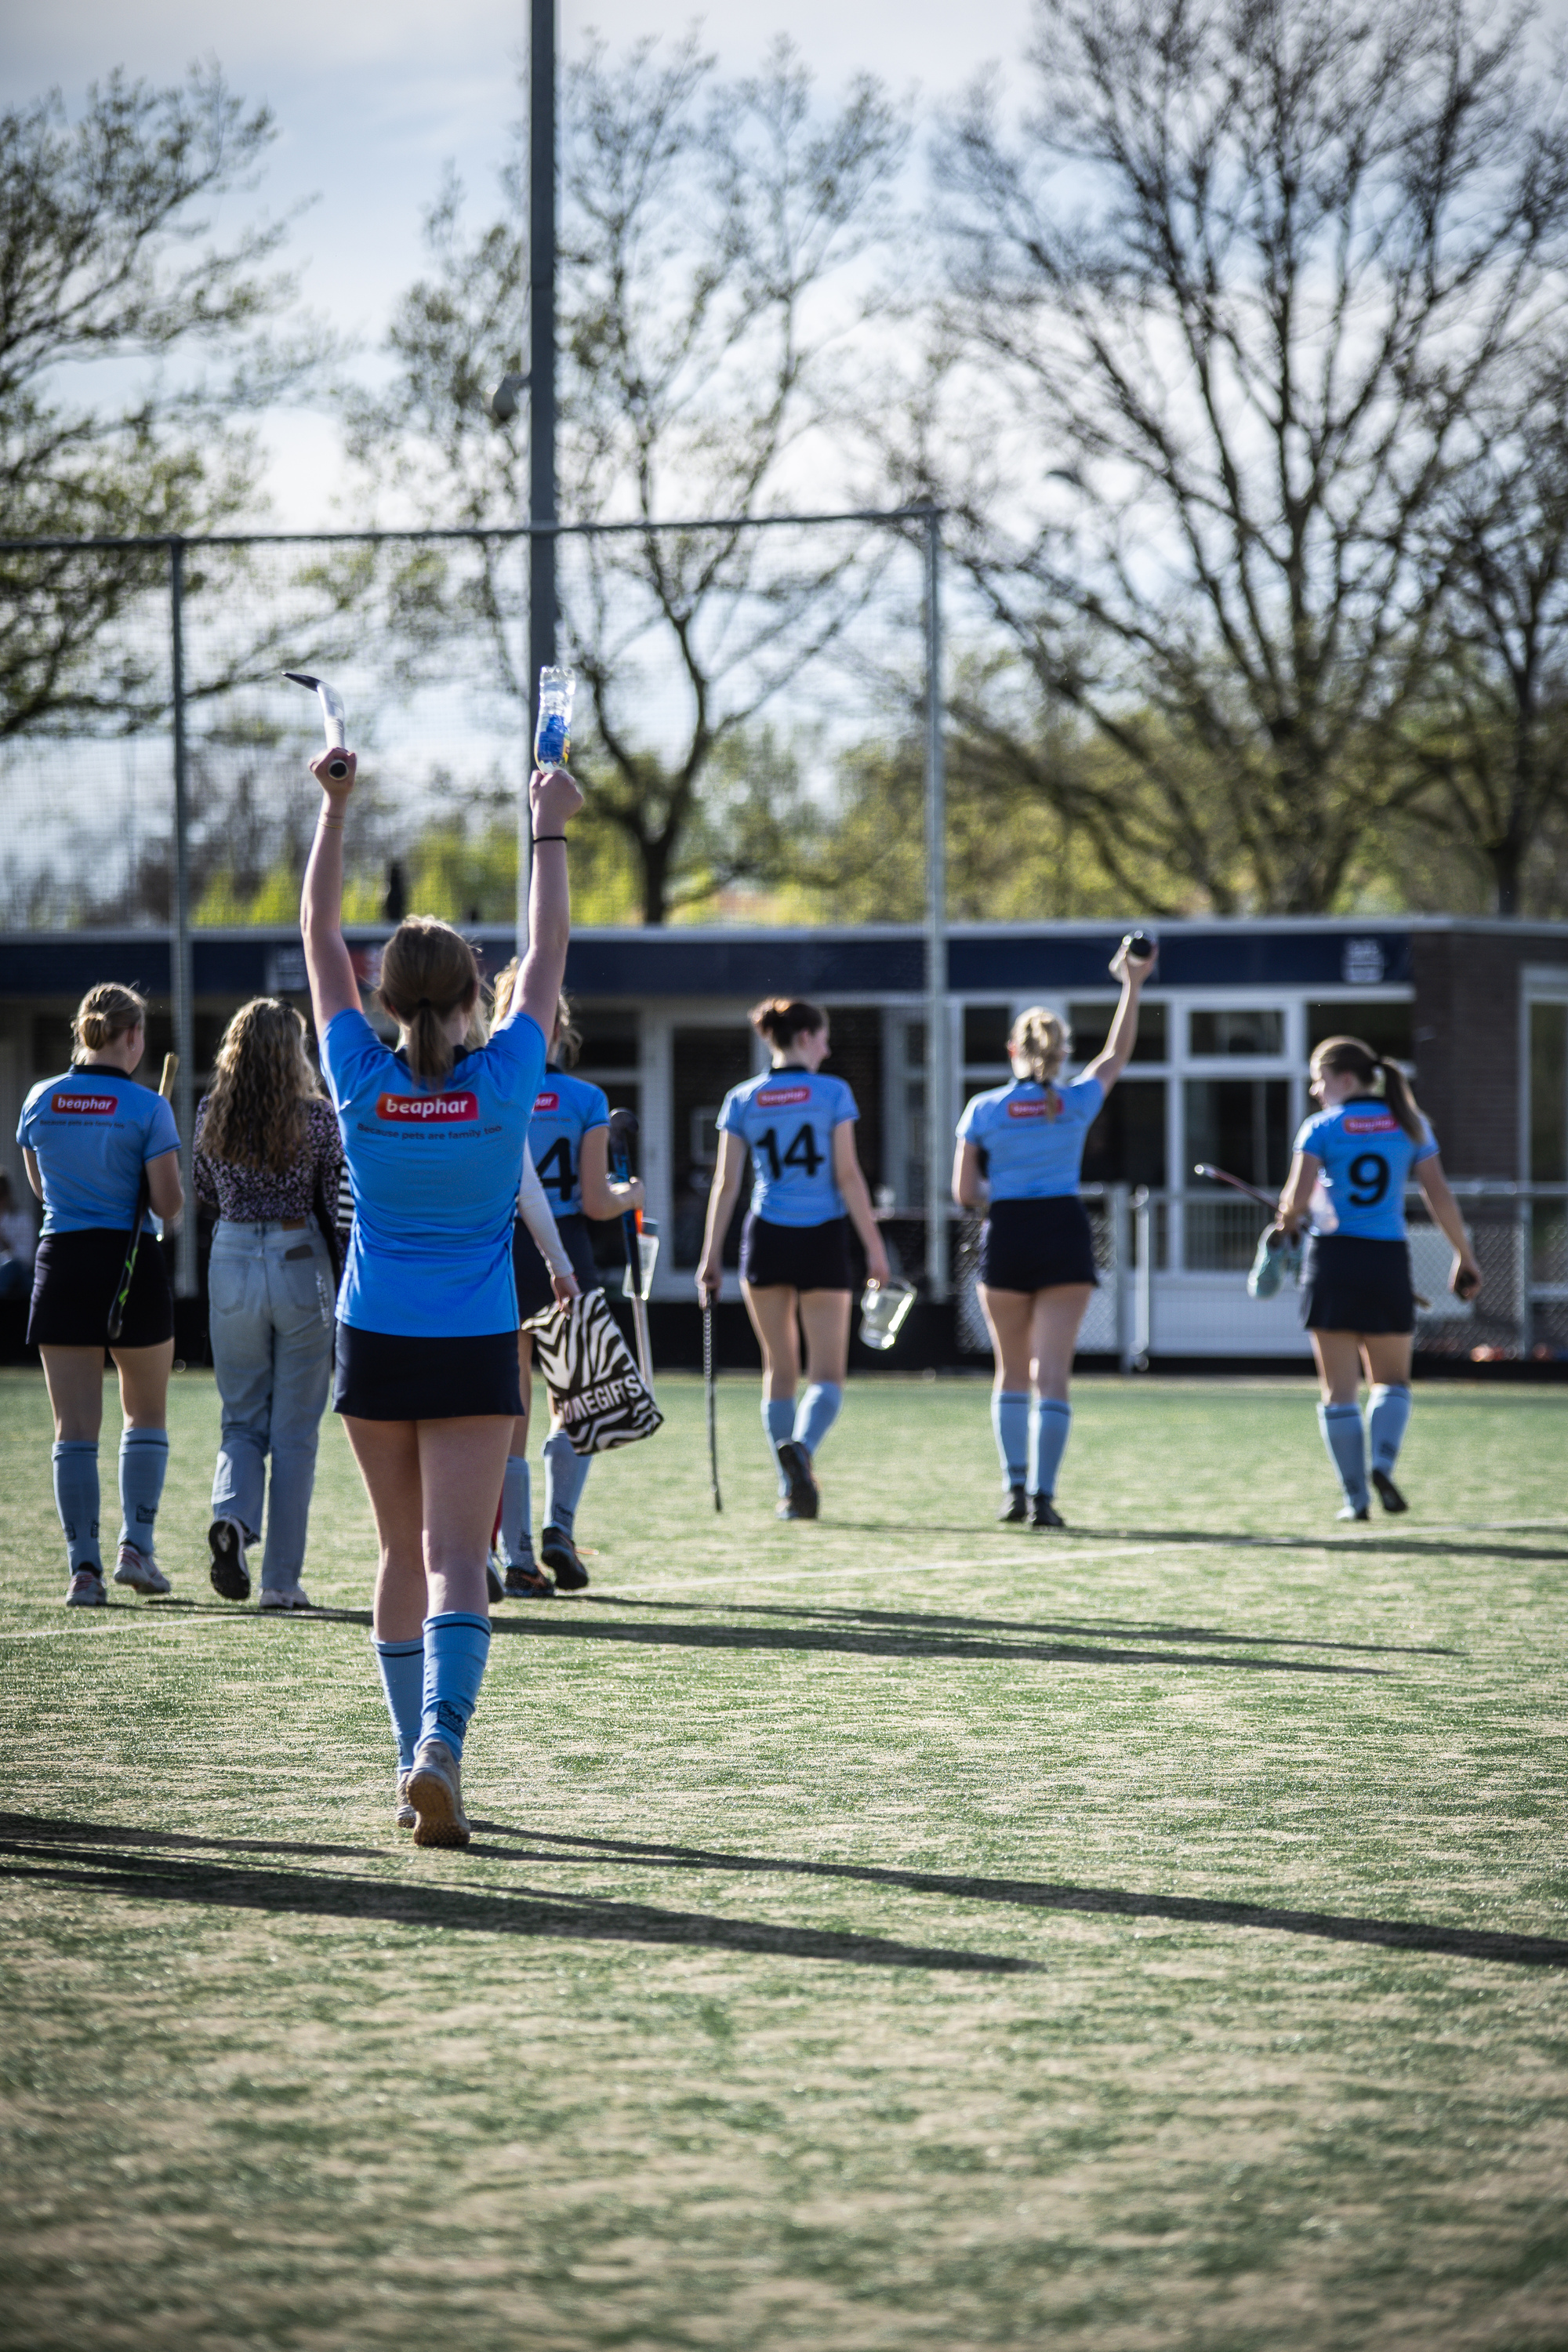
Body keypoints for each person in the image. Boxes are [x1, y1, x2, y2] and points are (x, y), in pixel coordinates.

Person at [300, 739, 582, 1848]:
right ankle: (440, 1749)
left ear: (382, 993)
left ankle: (408, 1758)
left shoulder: (359, 1076)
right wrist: (547, 825)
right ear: (479, 993)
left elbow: (318, 936)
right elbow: (550, 946)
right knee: (459, 1559)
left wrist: (334, 810)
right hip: (474, 1343)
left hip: (374, 1342)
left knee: (395, 1556)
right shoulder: (513, 1074)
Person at [953, 939, 1155, 1529]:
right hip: (1064, 1232)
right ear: (1063, 1053)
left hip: (1009, 1234)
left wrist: (1005, 1196)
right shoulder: (1072, 1101)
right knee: (1053, 1375)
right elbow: (1116, 1056)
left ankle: (1014, 1492)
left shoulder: (984, 1108)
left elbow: (965, 1193)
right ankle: (1044, 1498)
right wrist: (1132, 985)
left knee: (1011, 1372)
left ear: (1013, 1049)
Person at [16, 983, 183, 1604]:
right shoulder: (148, 1109)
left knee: (74, 1426)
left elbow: (41, 1190)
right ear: (133, 1036)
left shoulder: (40, 1099)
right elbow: (168, 1208)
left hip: (62, 1265)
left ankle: (83, 1569)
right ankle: (135, 1547)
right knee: (144, 1414)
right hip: (131, 1266)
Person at [696, 997, 890, 1519]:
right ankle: (801, 1451)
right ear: (804, 1037)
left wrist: (709, 1256)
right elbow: (848, 1177)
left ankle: (790, 1486)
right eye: (824, 1038)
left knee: (779, 1369)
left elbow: (727, 1183)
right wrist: (875, 1247)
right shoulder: (833, 1093)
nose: (827, 1049)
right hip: (823, 1237)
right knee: (827, 1373)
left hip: (767, 1240)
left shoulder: (743, 1098)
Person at [1276, 1034, 1480, 1519]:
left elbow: (1295, 1202)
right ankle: (1383, 1461)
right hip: (1387, 1262)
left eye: (1319, 1080)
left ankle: (1355, 1499)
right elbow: (1440, 1197)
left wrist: (1286, 1219)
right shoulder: (1411, 1125)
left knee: (1338, 1391)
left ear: (1345, 1079)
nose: (1314, 1090)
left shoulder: (1320, 1127)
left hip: (1332, 1263)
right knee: (1391, 1382)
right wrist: (1464, 1256)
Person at [485, 974, 644, 1593]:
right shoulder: (585, 1098)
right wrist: (637, 1193)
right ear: (559, 1026)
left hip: (504, 1253)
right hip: (566, 1256)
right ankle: (560, 1529)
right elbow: (599, 1202)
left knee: (511, 1410)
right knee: (575, 1402)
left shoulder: (494, 1090)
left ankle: (518, 1554)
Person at [193, 997, 344, 1610]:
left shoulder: (211, 1111)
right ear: (294, 1052)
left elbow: (204, 1188)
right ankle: (281, 1581)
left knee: (240, 1416)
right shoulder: (318, 1118)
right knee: (296, 1432)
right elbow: (333, 1196)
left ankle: (231, 1517)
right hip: (297, 1256)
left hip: (230, 1254)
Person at [0, 1167, 37, 1300]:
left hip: (20, 1275)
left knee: (12, 1266)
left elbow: (26, 1260)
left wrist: (5, 1241)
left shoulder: (22, 1220)